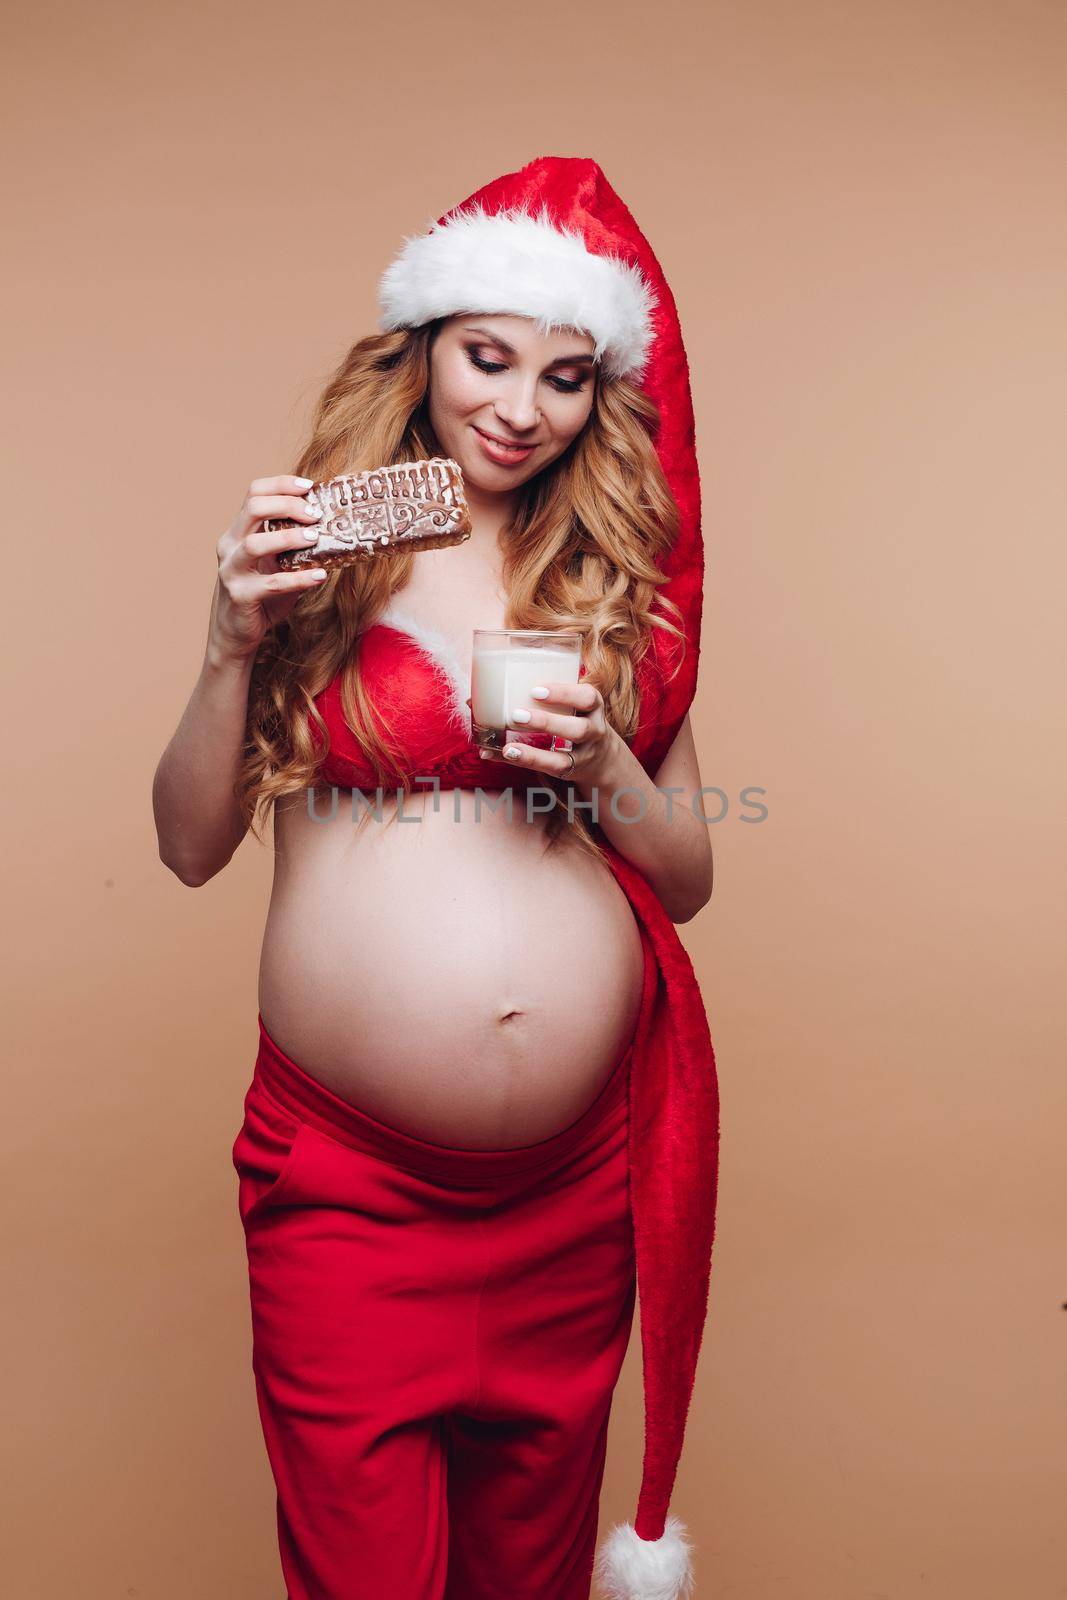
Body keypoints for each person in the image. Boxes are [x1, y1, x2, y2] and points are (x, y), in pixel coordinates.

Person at [153, 155, 721, 1600]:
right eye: (487, 357)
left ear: (605, 393)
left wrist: (604, 763)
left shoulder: (603, 564)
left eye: (568, 376)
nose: (519, 409)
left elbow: (691, 870)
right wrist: (228, 645)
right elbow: (189, 843)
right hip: (354, 1192)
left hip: (572, 1195)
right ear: (422, 348)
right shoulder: (341, 533)